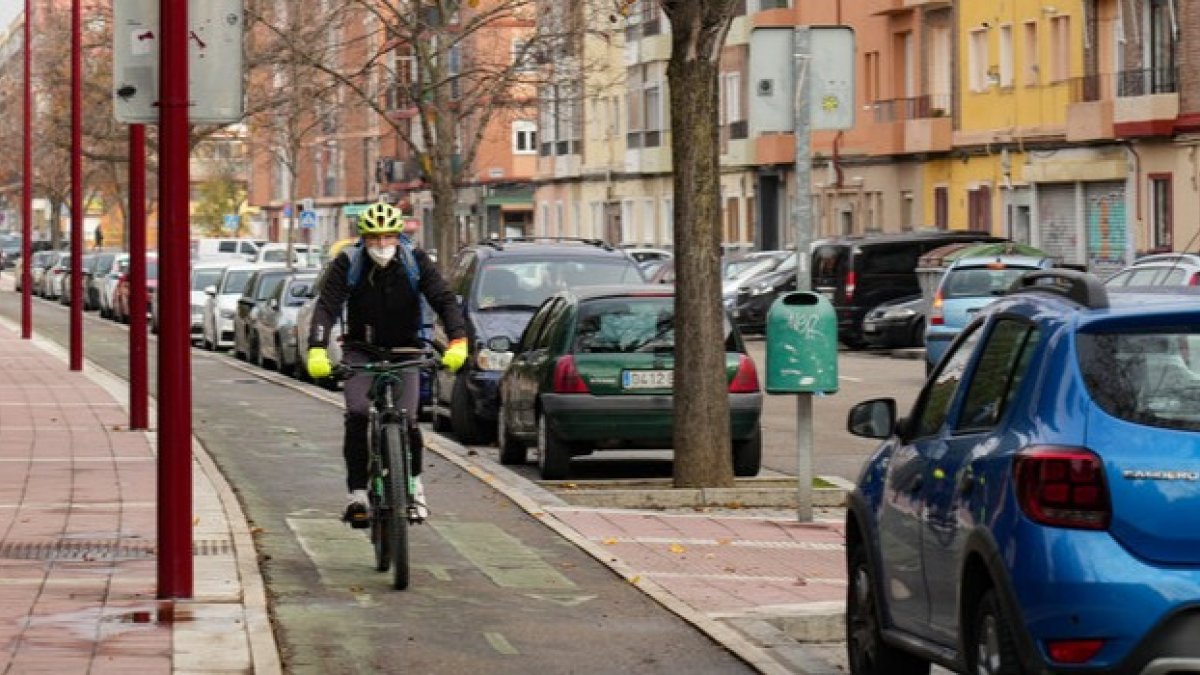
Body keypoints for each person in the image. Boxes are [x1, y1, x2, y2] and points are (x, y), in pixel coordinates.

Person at [306, 202, 469, 527]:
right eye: (374, 238)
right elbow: (326, 306)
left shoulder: (415, 261)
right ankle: (357, 494)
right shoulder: (348, 262)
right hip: (361, 350)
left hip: (406, 350)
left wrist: (458, 339)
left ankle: (415, 486)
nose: (382, 245)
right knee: (357, 414)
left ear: (399, 237)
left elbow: (443, 299)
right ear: (363, 239)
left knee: (408, 421)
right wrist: (316, 349)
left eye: (388, 237)